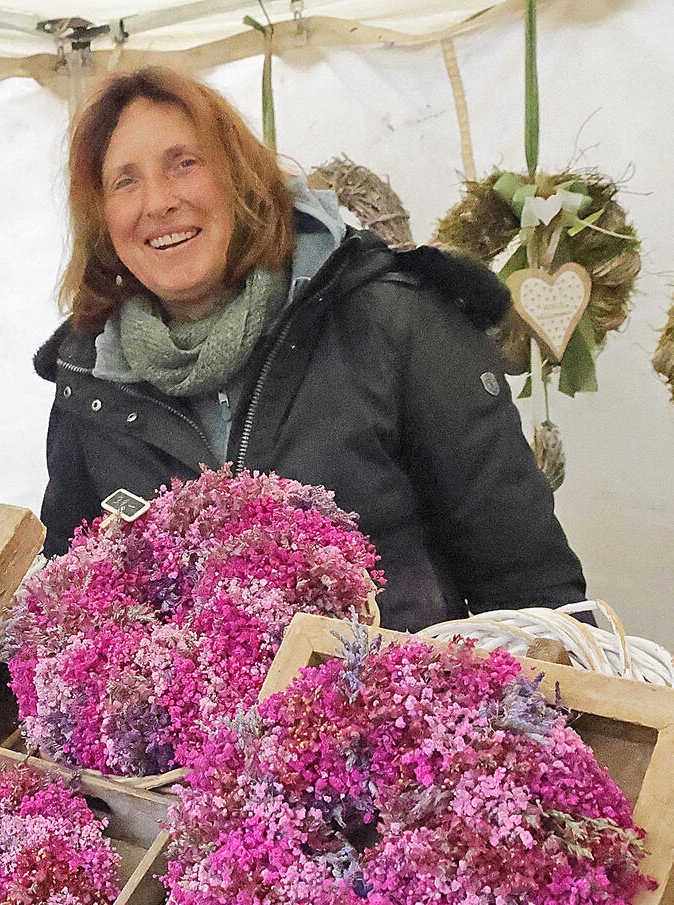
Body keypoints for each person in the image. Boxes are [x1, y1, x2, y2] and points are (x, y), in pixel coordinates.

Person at [35, 66, 585, 632]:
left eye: (185, 163)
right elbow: (71, 603)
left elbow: (527, 584)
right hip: (188, 721)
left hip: (396, 710)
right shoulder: (90, 379)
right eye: (124, 181)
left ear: (239, 178)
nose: (157, 203)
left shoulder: (391, 318)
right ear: (100, 217)